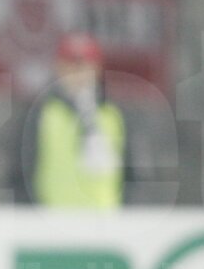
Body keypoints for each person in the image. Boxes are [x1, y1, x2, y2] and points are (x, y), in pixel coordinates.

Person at [10, 32, 134, 208]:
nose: (78, 74)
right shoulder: (41, 112)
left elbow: (130, 174)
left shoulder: (113, 114)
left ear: (97, 68)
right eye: (71, 66)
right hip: (53, 223)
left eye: (84, 66)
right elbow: (21, 173)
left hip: (105, 224)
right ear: (58, 68)